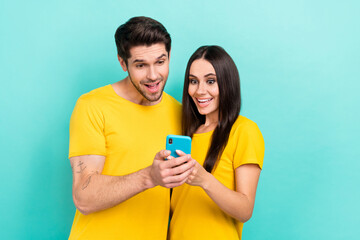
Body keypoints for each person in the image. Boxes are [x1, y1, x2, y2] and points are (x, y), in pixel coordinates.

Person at [68, 16, 195, 240]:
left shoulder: (181, 113)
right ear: (122, 63)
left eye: (160, 61)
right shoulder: (92, 106)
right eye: (140, 65)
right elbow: (83, 197)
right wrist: (149, 176)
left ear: (169, 56)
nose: (153, 75)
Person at [169, 46, 265, 240]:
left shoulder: (244, 130)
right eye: (193, 81)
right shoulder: (186, 136)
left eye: (210, 81)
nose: (200, 90)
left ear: (227, 83)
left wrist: (204, 180)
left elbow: (245, 210)